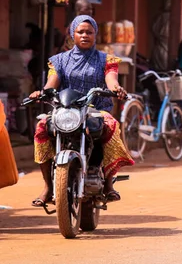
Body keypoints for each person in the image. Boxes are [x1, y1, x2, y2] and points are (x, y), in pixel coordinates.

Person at [30, 15, 134, 207]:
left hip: (96, 110)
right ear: (73, 35)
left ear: (95, 35)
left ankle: (109, 183)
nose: (85, 35)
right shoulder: (58, 61)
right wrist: (41, 93)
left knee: (111, 124)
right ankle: (47, 186)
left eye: (89, 32)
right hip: (65, 110)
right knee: (42, 126)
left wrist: (116, 88)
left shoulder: (106, 59)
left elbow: (111, 79)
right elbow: (51, 83)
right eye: (81, 32)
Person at [150, 0, 171, 72]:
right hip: (163, 46)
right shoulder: (168, 17)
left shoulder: (160, 17)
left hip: (160, 46)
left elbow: (153, 29)